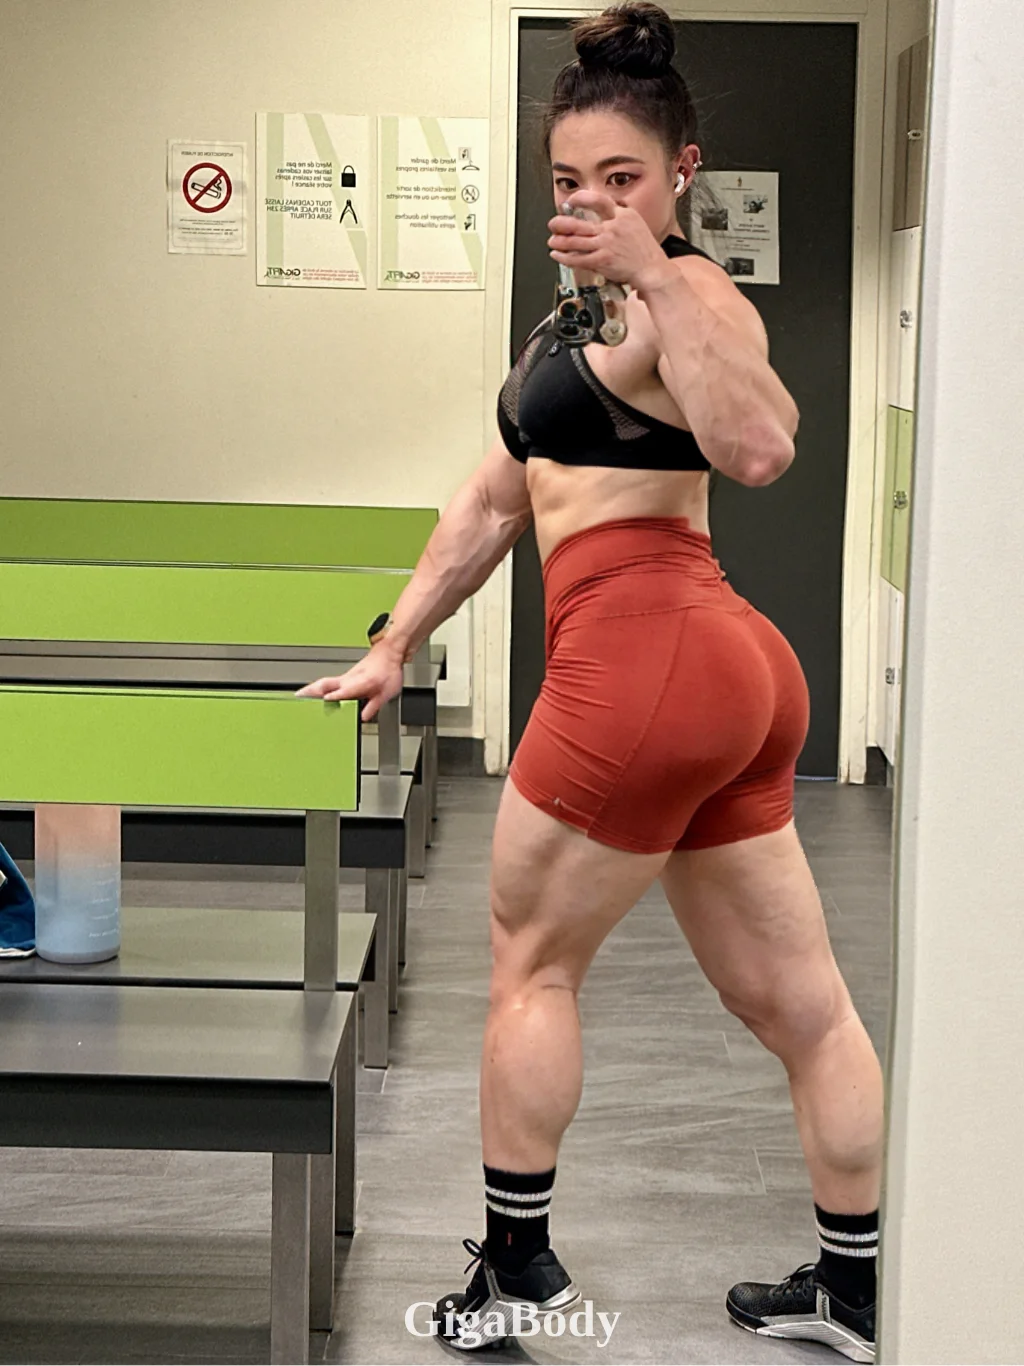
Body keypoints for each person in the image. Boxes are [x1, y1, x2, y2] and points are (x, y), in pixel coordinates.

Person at [299, 4, 882, 1360]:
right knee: (797, 1004)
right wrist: (397, 638)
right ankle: (852, 1288)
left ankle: (516, 1270)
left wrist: (660, 271)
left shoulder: (696, 296)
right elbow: (494, 501)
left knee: (531, 969)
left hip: (644, 656)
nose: (592, 204)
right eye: (571, 180)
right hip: (720, 674)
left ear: (683, 172)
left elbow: (760, 447)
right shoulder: (569, 323)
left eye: (624, 178)